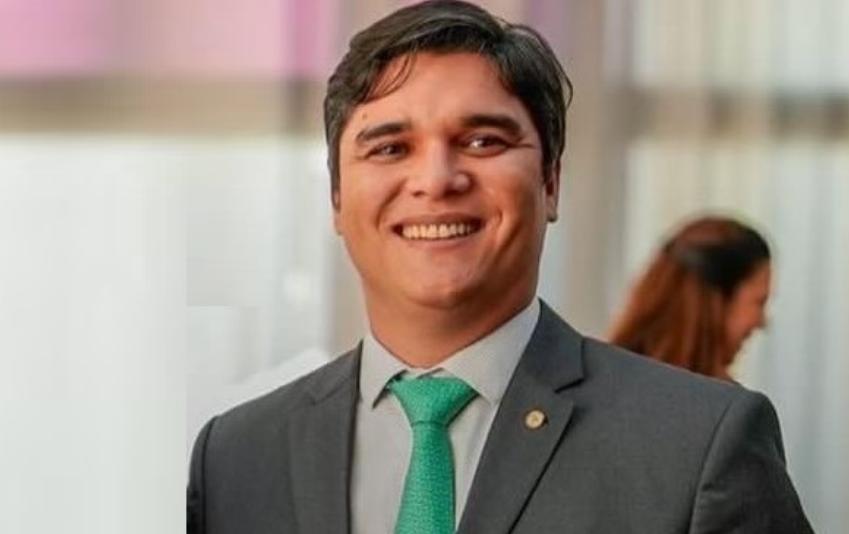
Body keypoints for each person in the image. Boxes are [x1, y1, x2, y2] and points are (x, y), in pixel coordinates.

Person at [187, 2, 813, 533]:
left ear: (551, 182)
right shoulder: (236, 458)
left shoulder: (696, 444)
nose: (437, 179)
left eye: (483, 141)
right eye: (391, 148)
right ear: (336, 198)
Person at [608, 215, 773, 380]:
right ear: (716, 302)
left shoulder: (606, 377)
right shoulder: (717, 397)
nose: (762, 322)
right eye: (759, 302)